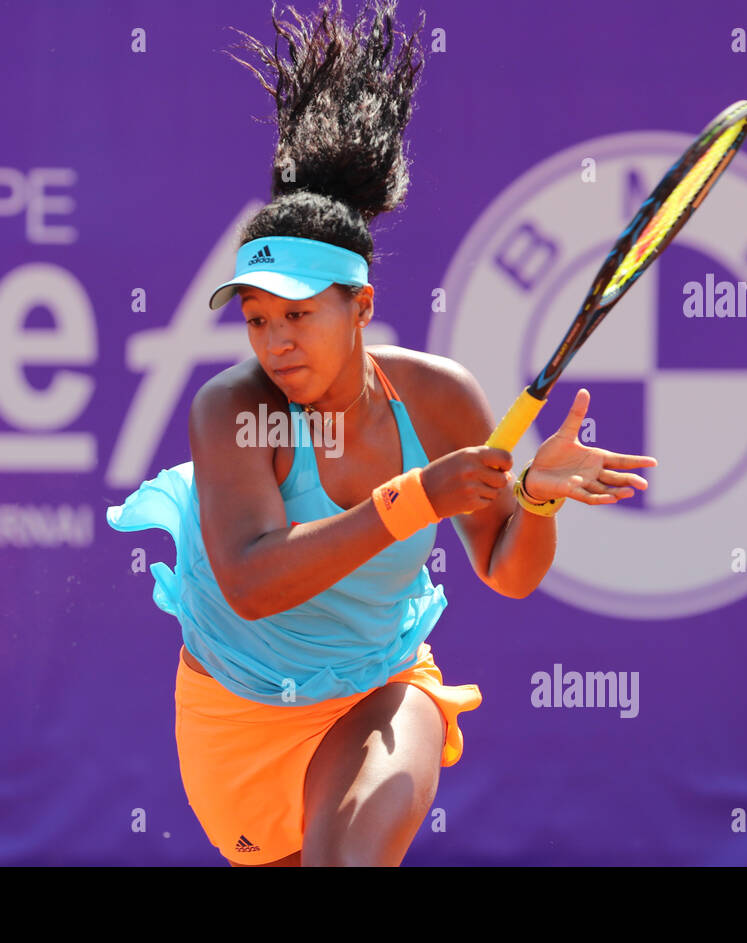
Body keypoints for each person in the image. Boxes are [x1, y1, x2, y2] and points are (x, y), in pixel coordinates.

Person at [105, 0, 657, 866]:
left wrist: (539, 502)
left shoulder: (437, 401)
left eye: (298, 315)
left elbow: (506, 572)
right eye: (255, 320)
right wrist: (416, 498)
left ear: (360, 305)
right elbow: (252, 580)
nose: (275, 342)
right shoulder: (231, 409)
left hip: (381, 684)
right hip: (235, 719)